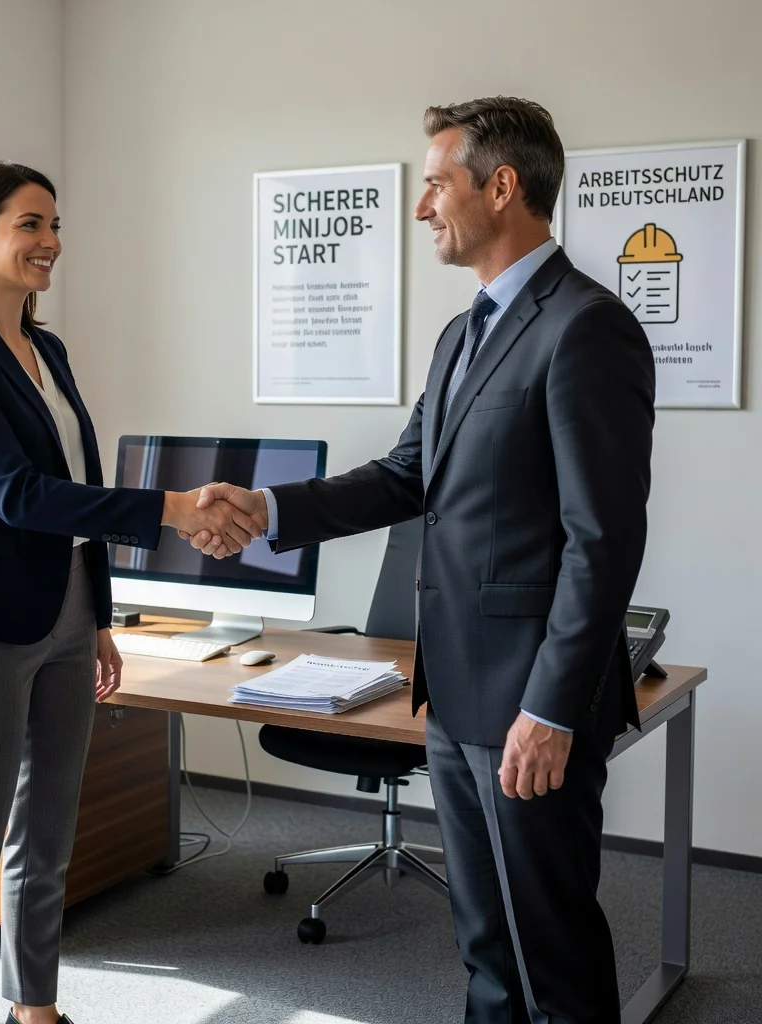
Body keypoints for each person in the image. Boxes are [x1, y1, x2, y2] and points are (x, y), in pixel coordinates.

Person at [189, 98, 655, 1023]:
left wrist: (550, 709)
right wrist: (269, 509)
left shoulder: (584, 327)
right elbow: (408, 475)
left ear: (503, 185)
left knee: (548, 944)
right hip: (450, 691)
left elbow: (603, 542)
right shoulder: (462, 335)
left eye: (436, 182)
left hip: (529, 701)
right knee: (486, 942)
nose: (421, 206)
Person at [0, 160, 257, 1024]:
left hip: (66, 608)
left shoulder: (47, 348)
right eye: (29, 224)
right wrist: (173, 508)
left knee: (48, 825)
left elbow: (77, 479)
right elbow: (17, 493)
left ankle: (34, 1004)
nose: (51, 242)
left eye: (55, 225)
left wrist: (97, 614)